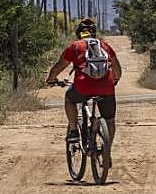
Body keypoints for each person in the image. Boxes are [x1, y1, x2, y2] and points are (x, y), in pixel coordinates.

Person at [46, 17, 123, 167]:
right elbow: (117, 68)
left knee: (69, 98)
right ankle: (106, 152)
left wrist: (51, 79)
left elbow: (58, 66)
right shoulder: (104, 45)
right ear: (94, 34)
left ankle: (74, 130)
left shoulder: (75, 46)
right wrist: (115, 80)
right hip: (106, 86)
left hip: (83, 86)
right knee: (110, 120)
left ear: (78, 34)